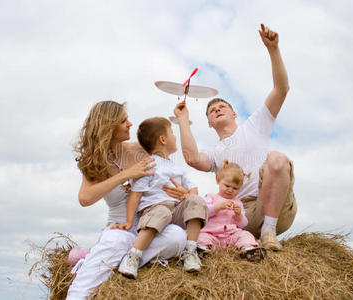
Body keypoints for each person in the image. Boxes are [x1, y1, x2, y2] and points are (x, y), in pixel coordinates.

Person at [173, 24, 297, 251]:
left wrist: (273, 50)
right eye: (212, 110)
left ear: (234, 113)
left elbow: (281, 89)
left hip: (273, 207)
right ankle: (239, 241)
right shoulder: (214, 152)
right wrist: (183, 119)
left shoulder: (256, 124)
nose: (217, 109)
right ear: (209, 123)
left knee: (277, 159)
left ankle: (269, 232)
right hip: (238, 217)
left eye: (222, 106)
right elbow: (191, 158)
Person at [66, 101, 188, 300]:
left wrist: (184, 192)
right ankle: (81, 287)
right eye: (123, 121)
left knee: (177, 237)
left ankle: (105, 260)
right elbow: (85, 198)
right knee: (119, 241)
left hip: (149, 225)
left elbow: (168, 143)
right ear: (108, 126)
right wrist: (126, 174)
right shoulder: (96, 159)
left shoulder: (138, 150)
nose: (130, 124)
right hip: (120, 227)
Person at [115, 117, 208, 279]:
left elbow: (194, 190)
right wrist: (129, 221)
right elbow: (135, 195)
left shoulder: (178, 168)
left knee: (197, 201)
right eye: (172, 132)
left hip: (176, 211)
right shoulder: (149, 165)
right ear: (163, 139)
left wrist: (187, 195)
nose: (175, 136)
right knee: (162, 211)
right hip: (154, 211)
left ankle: (190, 251)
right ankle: (134, 256)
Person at [197, 161, 267, 262]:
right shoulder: (211, 197)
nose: (230, 190)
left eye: (235, 188)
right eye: (227, 186)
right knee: (201, 237)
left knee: (245, 234)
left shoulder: (237, 202)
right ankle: (203, 250)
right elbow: (204, 213)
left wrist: (238, 215)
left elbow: (243, 224)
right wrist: (218, 207)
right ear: (218, 180)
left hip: (230, 236)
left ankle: (247, 249)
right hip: (212, 234)